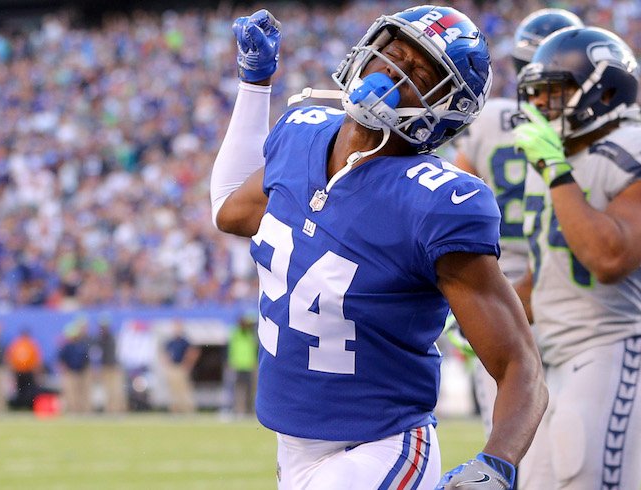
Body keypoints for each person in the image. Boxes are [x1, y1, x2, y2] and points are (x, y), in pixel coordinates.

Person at [210, 7, 546, 490]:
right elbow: (229, 209)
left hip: (379, 447)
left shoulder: (438, 203)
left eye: (418, 72)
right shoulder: (302, 133)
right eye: (392, 52)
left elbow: (519, 363)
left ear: (445, 109)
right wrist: (254, 84)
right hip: (293, 445)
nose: (393, 68)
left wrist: (498, 462)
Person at [511, 26, 641, 488]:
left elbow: (609, 258)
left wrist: (555, 170)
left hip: (611, 349)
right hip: (550, 362)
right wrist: (484, 315)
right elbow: (544, 276)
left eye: (556, 94)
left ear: (604, 90)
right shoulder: (554, 161)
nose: (541, 108)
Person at [450, 8, 582, 489]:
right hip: (558, 286)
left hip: (495, 288)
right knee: (560, 427)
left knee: (505, 426)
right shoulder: (580, 127)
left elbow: (456, 196)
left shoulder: (487, 120)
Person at [162, 321, 199, 413]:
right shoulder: (170, 341)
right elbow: (165, 353)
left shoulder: (184, 341)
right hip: (173, 368)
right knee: (173, 391)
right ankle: (175, 410)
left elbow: (193, 352)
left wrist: (188, 364)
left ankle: (188, 410)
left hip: (181, 367)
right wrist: (167, 363)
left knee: (184, 390)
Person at [57, 319, 93, 414]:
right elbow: (61, 359)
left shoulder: (82, 345)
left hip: (82, 372)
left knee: (83, 393)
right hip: (71, 372)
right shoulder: (67, 346)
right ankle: (74, 411)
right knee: (71, 393)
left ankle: (84, 411)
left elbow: (87, 359)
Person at [227, 312, 257, 417]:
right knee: (237, 389)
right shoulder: (236, 334)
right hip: (238, 365)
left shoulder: (250, 335)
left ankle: (248, 410)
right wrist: (231, 362)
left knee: (249, 389)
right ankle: (236, 409)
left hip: (248, 365)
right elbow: (232, 349)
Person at [95, 316, 126, 413]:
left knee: (116, 390)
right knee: (108, 391)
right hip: (106, 367)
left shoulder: (111, 338)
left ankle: (118, 410)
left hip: (114, 367)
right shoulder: (100, 339)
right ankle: (110, 410)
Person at [6, 327, 43, 410]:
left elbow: (36, 361)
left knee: (26, 391)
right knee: (23, 391)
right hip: (21, 371)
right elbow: (10, 358)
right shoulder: (24, 344)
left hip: (26, 371)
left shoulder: (20, 344)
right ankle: (23, 406)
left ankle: (25, 406)